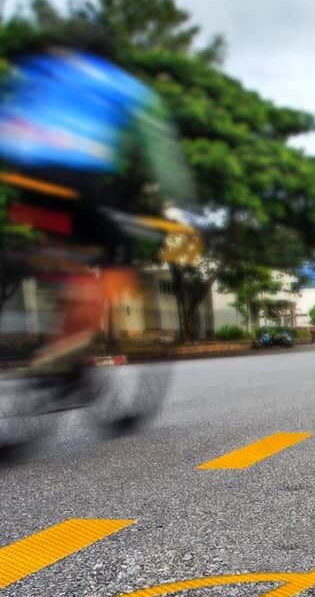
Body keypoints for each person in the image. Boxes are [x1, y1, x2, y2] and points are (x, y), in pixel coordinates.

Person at [0, 28, 192, 377]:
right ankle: (72, 340)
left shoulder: (41, 69)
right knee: (118, 254)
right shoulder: (123, 86)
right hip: (78, 180)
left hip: (25, 180)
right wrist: (183, 203)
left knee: (63, 251)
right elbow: (161, 155)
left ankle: (56, 299)